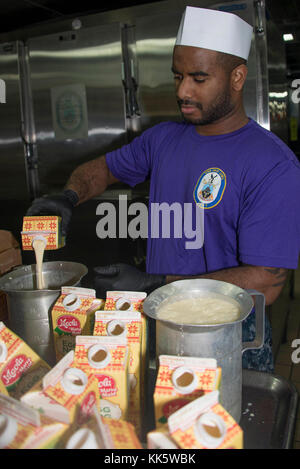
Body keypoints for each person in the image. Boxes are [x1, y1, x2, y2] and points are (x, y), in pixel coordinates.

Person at [27, 7, 300, 373]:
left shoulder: (273, 164)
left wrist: (156, 283)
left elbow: (266, 282)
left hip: (228, 333)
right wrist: (68, 195)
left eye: (199, 78)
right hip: (158, 319)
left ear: (237, 78)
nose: (182, 91)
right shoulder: (163, 139)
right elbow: (104, 170)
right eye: (177, 76)